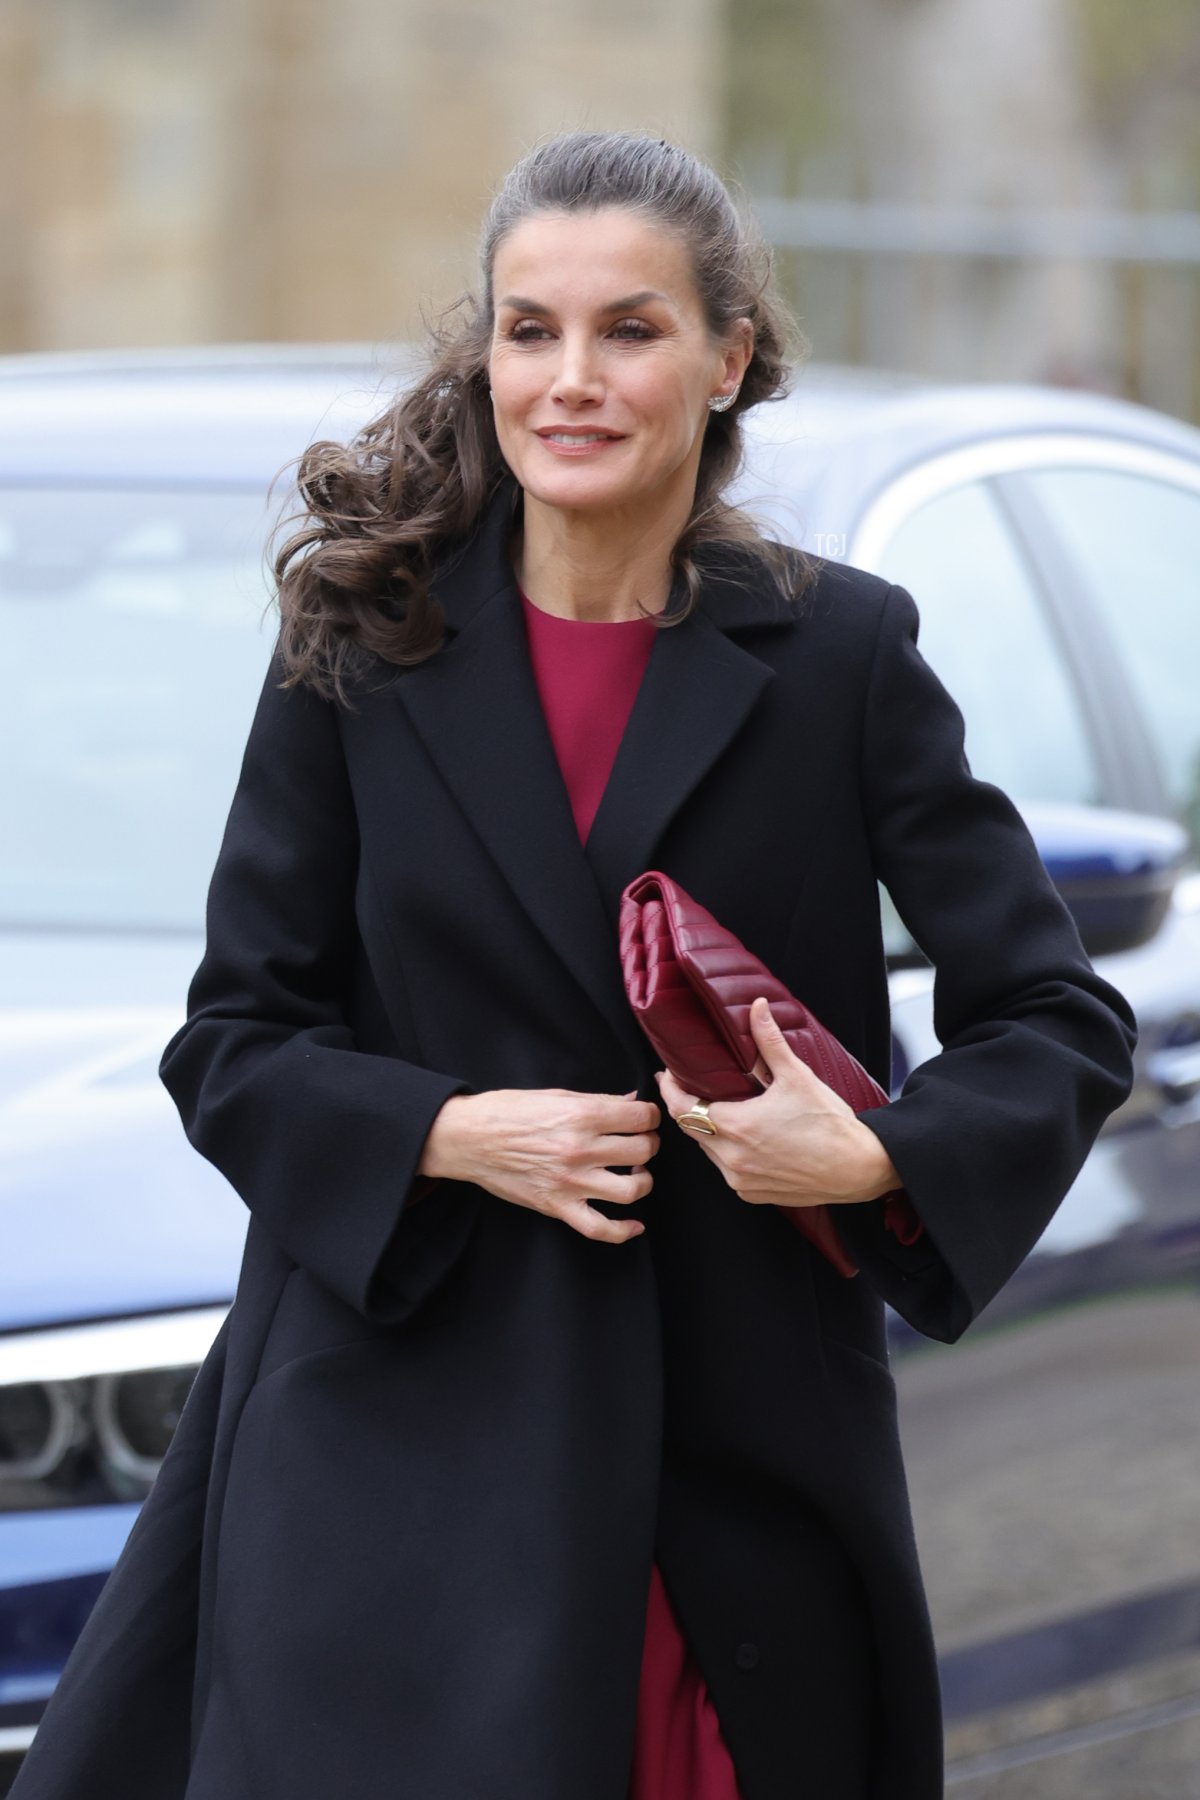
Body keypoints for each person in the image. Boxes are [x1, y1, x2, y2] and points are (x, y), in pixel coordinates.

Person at [10, 129, 1137, 1800]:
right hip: (399, 1447)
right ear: (486, 354)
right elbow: (235, 1040)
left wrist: (884, 1148)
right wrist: (452, 1133)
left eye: (630, 329)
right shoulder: (360, 645)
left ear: (727, 355)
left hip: (732, 1463)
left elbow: (1055, 1015)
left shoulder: (841, 655)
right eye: (530, 331)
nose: (572, 379)